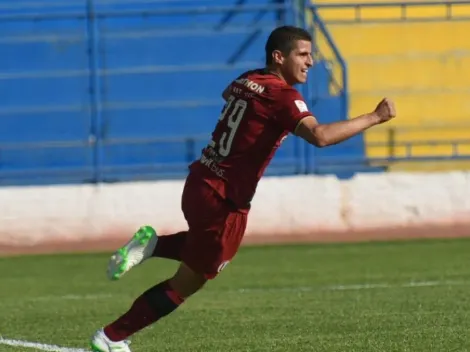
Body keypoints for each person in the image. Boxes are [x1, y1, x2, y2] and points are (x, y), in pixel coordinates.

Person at [90, 25, 396, 352]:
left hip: (199, 182)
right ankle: (111, 337)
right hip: (225, 199)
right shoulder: (284, 96)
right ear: (279, 57)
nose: (310, 63)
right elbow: (319, 136)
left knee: (203, 254)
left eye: (311, 56)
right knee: (189, 282)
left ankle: (151, 247)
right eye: (303, 55)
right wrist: (375, 117)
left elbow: (229, 95)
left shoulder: (247, 79)